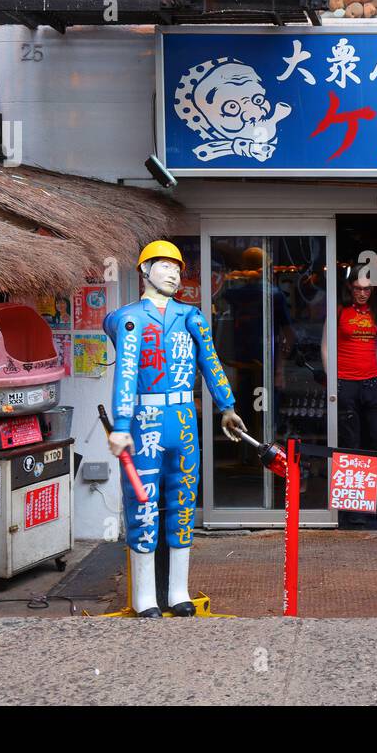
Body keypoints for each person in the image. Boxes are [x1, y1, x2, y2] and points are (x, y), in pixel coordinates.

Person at [103, 240, 246, 618]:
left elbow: (211, 363)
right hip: (144, 421)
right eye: (163, 265)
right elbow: (126, 373)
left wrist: (226, 406)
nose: (173, 273)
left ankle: (178, 590)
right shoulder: (128, 318)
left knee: (183, 504)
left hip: (184, 419)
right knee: (143, 506)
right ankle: (145, 595)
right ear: (144, 270)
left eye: (177, 267)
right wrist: (120, 425)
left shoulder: (191, 316)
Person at [323, 265, 377, 451]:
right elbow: (325, 347)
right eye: (358, 288)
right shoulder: (339, 311)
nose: (362, 293)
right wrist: (332, 379)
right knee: (349, 439)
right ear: (350, 287)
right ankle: (354, 480)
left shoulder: (376, 312)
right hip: (345, 381)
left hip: (372, 380)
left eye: (367, 289)